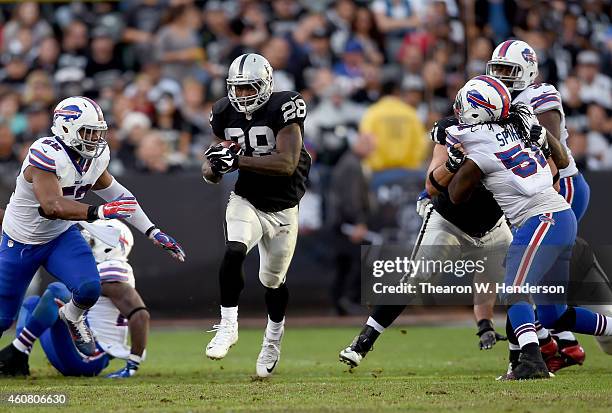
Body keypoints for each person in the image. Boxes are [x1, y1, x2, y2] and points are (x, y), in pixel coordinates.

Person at [447, 75, 612, 380]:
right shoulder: (517, 127)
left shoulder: (477, 144)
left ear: (475, 110)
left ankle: (532, 361)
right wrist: (542, 136)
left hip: (542, 218)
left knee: (514, 289)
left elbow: (455, 194)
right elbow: (562, 161)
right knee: (554, 314)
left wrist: (454, 162)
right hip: (558, 215)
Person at [0, 96, 184, 365]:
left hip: (59, 236)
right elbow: (51, 205)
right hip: (21, 241)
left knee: (88, 288)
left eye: (98, 132)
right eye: (88, 131)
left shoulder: (94, 158)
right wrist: (98, 211)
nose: (95, 138)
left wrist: (152, 231)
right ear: (65, 128)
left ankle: (72, 316)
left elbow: (119, 196)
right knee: (3, 319)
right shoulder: (45, 153)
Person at [338, 116, 512, 368]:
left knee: (513, 279)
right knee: (414, 280)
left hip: (494, 225)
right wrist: (451, 166)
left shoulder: (514, 132)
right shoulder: (452, 132)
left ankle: (528, 349)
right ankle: (363, 341)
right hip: (449, 222)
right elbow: (431, 185)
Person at [486, 39, 608, 372]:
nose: (500, 77)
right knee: (546, 299)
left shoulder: (538, 96)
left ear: (527, 71)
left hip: (557, 188)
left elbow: (551, 156)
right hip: (536, 192)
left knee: (520, 276)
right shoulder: (500, 101)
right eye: (495, 70)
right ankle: (562, 343)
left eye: (507, 71)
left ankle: (538, 348)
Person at [202, 53, 310, 378]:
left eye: (250, 88)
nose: (243, 96)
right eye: (238, 89)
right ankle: (228, 325)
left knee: (272, 281)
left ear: (265, 85)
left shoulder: (285, 107)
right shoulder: (223, 111)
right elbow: (211, 165)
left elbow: (286, 163)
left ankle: (273, 337)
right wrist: (214, 168)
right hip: (246, 199)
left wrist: (237, 162)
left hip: (283, 208)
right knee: (234, 249)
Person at [0, 220, 149, 378]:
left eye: (91, 239)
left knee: (58, 291)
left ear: (109, 246)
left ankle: (17, 350)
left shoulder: (112, 268)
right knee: (32, 303)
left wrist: (133, 363)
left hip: (90, 355)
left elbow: (140, 314)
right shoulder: (97, 269)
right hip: (74, 351)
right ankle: (19, 360)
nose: (85, 241)